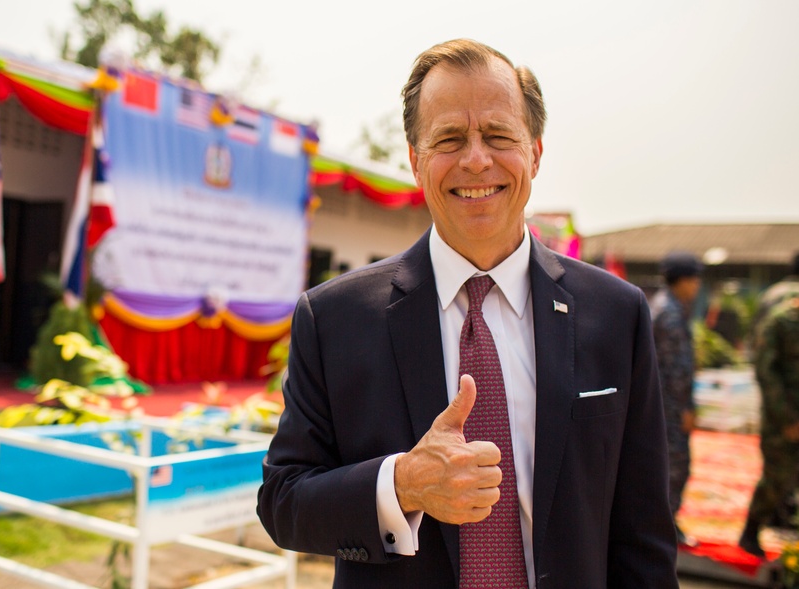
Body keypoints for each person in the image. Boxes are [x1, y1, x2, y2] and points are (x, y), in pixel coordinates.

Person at [257, 39, 678, 588]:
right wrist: (402, 483)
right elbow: (283, 501)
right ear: (415, 160)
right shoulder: (335, 318)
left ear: (535, 152)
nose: (476, 159)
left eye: (499, 136)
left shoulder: (616, 315)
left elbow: (643, 533)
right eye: (449, 139)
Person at [738, 294, 799, 558]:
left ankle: (783, 517)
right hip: (783, 419)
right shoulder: (779, 322)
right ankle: (750, 532)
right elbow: (766, 372)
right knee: (777, 476)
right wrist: (787, 419)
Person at [649, 251, 703, 546]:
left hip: (665, 404)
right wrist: (686, 407)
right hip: (668, 407)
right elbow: (675, 369)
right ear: (681, 280)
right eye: (693, 279)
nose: (696, 286)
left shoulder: (666, 307)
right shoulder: (668, 313)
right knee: (675, 467)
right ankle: (665, 527)